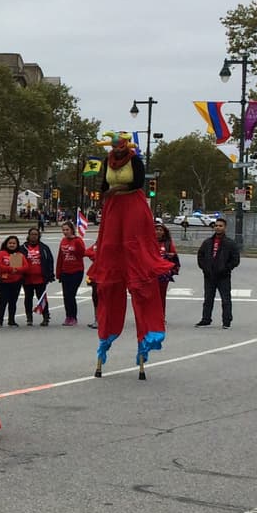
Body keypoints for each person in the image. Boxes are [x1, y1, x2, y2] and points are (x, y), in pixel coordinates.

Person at [87, 132, 175, 376]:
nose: (116, 149)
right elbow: (104, 185)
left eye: (119, 145)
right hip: (114, 206)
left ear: (125, 145)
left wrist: (118, 189)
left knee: (134, 251)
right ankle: (105, 339)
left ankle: (145, 339)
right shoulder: (107, 161)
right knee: (111, 252)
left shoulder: (134, 160)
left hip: (132, 204)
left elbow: (138, 183)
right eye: (113, 146)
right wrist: (105, 193)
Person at [195, 217, 240, 328]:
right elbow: (200, 255)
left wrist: (226, 268)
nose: (218, 228)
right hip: (209, 275)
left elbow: (235, 260)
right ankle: (206, 319)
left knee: (225, 299)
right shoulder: (207, 242)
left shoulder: (230, 243)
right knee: (208, 299)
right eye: (216, 226)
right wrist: (204, 268)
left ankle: (226, 321)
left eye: (220, 226)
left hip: (223, 276)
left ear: (225, 228)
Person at [19, 226, 55, 326]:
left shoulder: (44, 248)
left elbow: (50, 261)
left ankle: (46, 316)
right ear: (28, 236)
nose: (33, 236)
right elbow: (16, 263)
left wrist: (50, 274)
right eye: (32, 234)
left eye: (36, 234)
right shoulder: (22, 248)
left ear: (39, 236)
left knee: (42, 298)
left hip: (41, 278)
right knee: (28, 298)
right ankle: (29, 318)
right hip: (27, 279)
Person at [55, 219, 87, 326]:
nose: (65, 232)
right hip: (65, 271)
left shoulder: (78, 240)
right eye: (63, 230)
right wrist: (58, 272)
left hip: (76, 271)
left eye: (67, 230)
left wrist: (75, 250)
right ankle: (68, 316)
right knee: (66, 295)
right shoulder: (63, 241)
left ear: (72, 230)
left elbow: (83, 253)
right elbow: (60, 257)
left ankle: (73, 317)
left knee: (71, 295)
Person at [0, 235, 26, 327]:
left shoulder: (18, 254)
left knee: (13, 302)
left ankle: (11, 320)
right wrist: (10, 269)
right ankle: (0, 320)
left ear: (17, 245)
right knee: (3, 301)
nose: (12, 245)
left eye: (14, 243)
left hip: (16, 281)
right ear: (6, 244)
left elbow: (25, 266)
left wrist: (17, 270)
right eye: (10, 243)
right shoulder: (2, 253)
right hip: (4, 282)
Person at [154, 222, 181, 315]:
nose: (158, 232)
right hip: (150, 273)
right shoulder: (149, 242)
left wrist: (168, 255)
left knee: (161, 295)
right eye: (156, 229)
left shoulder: (168, 243)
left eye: (160, 230)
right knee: (151, 296)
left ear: (164, 232)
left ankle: (161, 315)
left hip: (163, 274)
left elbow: (174, 256)